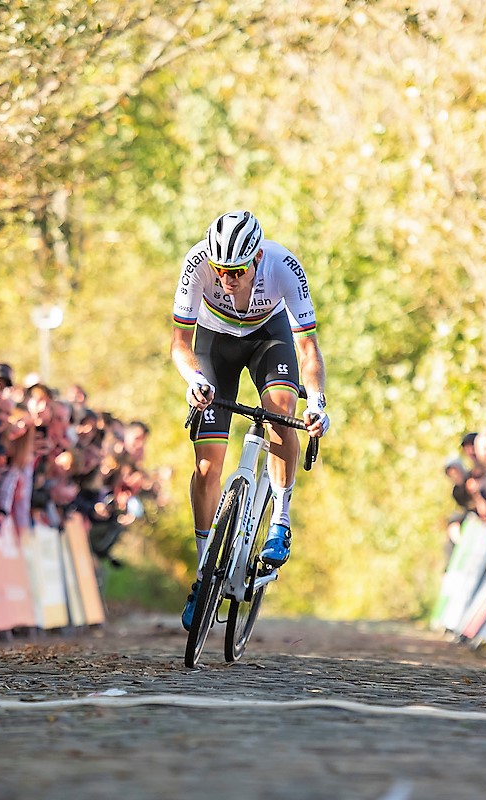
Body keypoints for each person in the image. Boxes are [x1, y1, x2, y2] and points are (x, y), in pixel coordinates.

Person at [171, 210, 329, 631]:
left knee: (282, 411)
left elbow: (308, 350)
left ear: (257, 259)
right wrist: (195, 379)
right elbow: (179, 344)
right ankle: (205, 573)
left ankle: (279, 518)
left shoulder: (283, 266)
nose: (227, 280)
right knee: (208, 466)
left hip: (268, 338)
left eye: (237, 271)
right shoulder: (196, 264)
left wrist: (316, 400)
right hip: (214, 344)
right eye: (220, 271)